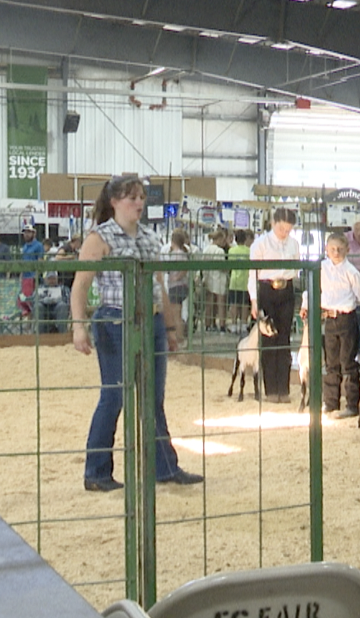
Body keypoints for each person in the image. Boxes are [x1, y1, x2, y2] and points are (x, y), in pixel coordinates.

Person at [72, 175, 203, 491]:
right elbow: (81, 285)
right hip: (116, 322)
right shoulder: (99, 238)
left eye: (142, 197)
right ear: (115, 201)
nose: (139, 203)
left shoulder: (148, 237)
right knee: (114, 395)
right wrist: (79, 326)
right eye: (132, 197)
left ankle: (164, 467)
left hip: (152, 321)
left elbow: (159, 284)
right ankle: (97, 472)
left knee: (153, 397)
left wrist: (170, 326)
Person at [301, 233, 360, 416]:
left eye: (339, 249)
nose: (336, 252)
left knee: (348, 361)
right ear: (326, 250)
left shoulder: (352, 272)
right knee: (331, 362)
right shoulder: (321, 268)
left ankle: (352, 405)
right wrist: (305, 305)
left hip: (346, 318)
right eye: (332, 249)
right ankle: (330, 402)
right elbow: (312, 288)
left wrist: (346, 304)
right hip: (329, 317)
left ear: (347, 250)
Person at [249, 208, 300, 403]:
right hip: (266, 290)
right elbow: (252, 274)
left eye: (288, 229)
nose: (284, 233)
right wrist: (254, 300)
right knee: (269, 339)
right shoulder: (259, 244)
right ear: (273, 223)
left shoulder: (294, 245)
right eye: (281, 228)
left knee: (284, 338)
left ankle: (284, 389)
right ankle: (271, 390)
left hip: (286, 291)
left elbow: (296, 270)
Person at [200, 230, 229, 332]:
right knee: (221, 303)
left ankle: (208, 324)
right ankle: (222, 325)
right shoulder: (219, 251)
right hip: (219, 279)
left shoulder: (206, 249)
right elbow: (221, 267)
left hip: (208, 278)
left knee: (209, 303)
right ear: (219, 239)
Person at [164, 230, 191, 338]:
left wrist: (176, 277)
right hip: (180, 286)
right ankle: (179, 337)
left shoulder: (177, 254)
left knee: (176, 314)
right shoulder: (182, 253)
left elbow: (184, 267)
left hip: (176, 286)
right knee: (177, 314)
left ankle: (179, 338)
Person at [226, 229, 251, 333]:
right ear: (245, 239)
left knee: (234, 304)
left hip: (234, 281)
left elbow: (229, 266)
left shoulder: (231, 251)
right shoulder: (249, 251)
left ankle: (234, 325)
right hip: (246, 281)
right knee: (245, 304)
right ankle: (244, 325)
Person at [19, 225, 44, 315]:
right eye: (25, 232)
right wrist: (21, 276)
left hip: (32, 278)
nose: (26, 234)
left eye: (28, 232)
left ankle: (33, 322)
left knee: (31, 301)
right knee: (23, 301)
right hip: (25, 278)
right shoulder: (25, 246)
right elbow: (23, 261)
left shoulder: (38, 245)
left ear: (34, 233)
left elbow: (40, 261)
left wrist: (36, 275)